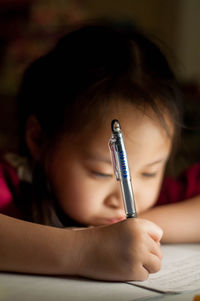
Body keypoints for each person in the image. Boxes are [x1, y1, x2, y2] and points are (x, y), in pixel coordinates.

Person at [0, 23, 199, 282]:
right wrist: (83, 250)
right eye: (102, 173)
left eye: (150, 172)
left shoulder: (156, 199)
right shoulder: (12, 184)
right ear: (39, 140)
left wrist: (141, 227)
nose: (124, 198)